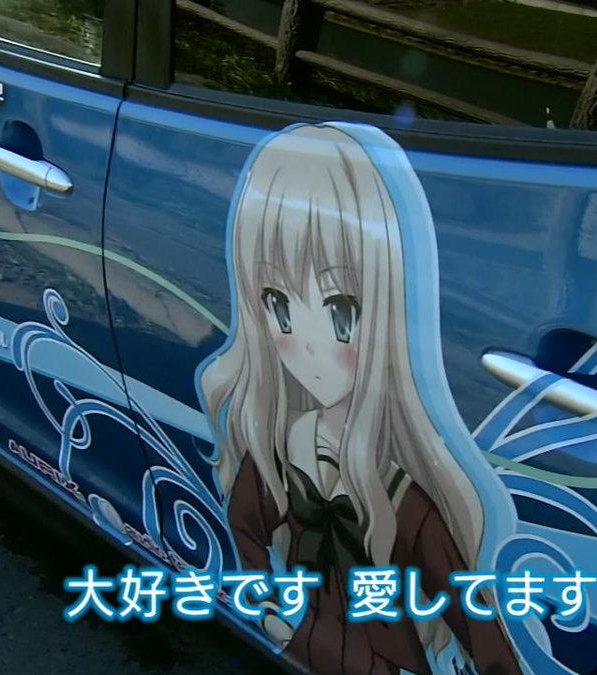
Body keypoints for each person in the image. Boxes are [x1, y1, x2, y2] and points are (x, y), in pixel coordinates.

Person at [197, 122, 522, 675]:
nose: (308, 346)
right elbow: (245, 520)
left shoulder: (401, 495)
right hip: (305, 646)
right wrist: (267, 605)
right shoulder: (288, 447)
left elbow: (475, 620)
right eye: (279, 305)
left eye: (341, 312)